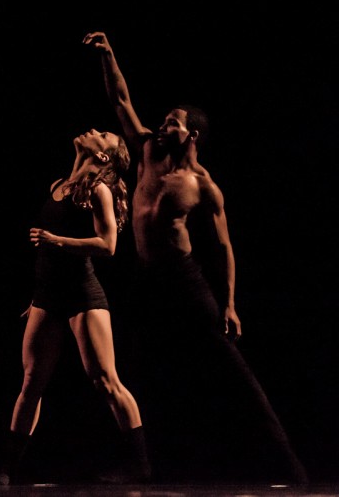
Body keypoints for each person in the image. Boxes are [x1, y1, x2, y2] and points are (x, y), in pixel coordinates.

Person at [82, 31, 309, 485]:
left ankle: (289, 467)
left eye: (171, 122)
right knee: (135, 365)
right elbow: (121, 99)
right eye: (164, 121)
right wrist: (108, 55)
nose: (162, 126)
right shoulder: (147, 150)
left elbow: (224, 247)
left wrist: (229, 303)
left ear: (192, 134)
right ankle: (140, 465)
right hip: (146, 277)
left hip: (185, 280)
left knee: (230, 366)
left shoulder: (203, 185)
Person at [0, 128, 151, 485]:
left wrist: (55, 240)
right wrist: (36, 301)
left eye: (103, 134)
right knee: (32, 382)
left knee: (106, 381)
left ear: (104, 156)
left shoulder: (99, 190)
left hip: (83, 295)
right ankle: (6, 470)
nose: (93, 131)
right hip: (47, 296)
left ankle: (141, 467)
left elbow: (108, 245)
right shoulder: (59, 185)